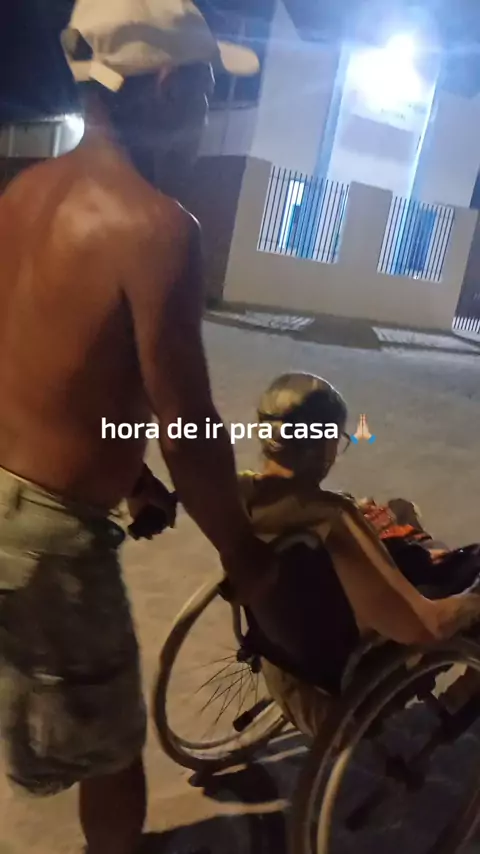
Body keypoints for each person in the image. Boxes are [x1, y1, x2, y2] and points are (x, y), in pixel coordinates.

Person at [0, 2, 273, 853]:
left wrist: (131, 474)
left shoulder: (23, 193)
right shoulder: (158, 228)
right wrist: (244, 555)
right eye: (205, 87)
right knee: (113, 750)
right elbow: (189, 424)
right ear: (164, 84)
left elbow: (42, 366)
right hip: (49, 540)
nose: (208, 108)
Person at [238, 372, 480, 738]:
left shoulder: (238, 495)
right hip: (340, 694)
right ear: (323, 446)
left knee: (400, 514)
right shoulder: (332, 520)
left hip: (280, 658)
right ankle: (461, 698)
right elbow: (424, 628)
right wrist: (472, 604)